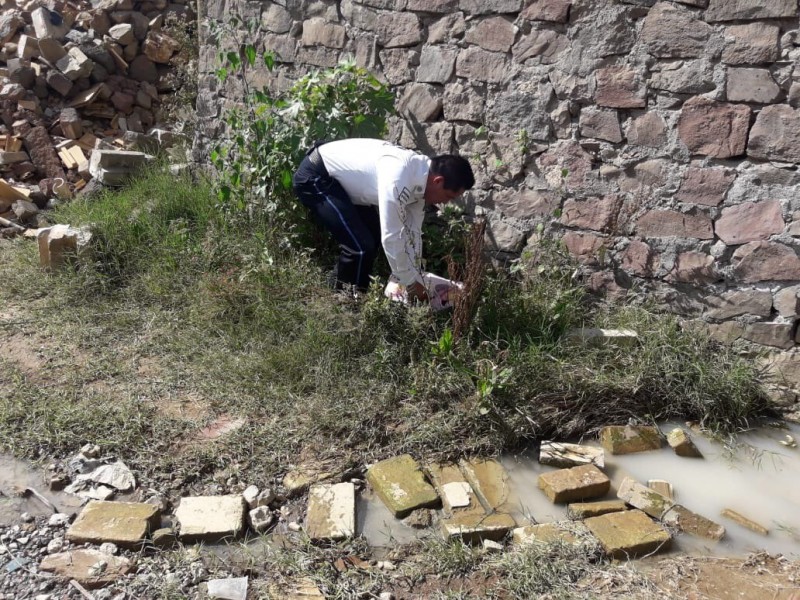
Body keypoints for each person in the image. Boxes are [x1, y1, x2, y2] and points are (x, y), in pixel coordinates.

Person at [292, 138, 475, 302]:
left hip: (343, 185)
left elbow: (412, 233)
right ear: (438, 181)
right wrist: (410, 284)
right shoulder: (399, 176)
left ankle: (334, 287)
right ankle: (346, 308)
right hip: (316, 177)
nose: (446, 202)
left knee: (371, 234)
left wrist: (415, 275)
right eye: (449, 196)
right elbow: (392, 235)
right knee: (361, 247)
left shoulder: (420, 185)